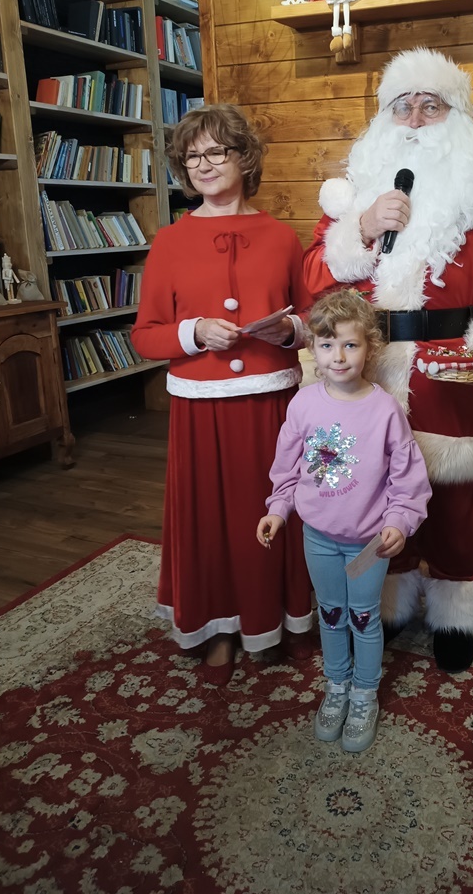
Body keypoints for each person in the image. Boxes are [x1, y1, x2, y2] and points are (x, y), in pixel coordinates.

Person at [303, 47, 473, 673]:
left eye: (430, 106)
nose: (414, 119)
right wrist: (361, 227)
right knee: (375, 489)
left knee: (455, 500)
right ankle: (390, 595)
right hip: (370, 367)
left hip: (451, 366)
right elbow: (313, 279)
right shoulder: (354, 196)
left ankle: (454, 609)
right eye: (402, 106)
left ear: (456, 115)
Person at [131, 104, 313, 685]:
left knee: (271, 511)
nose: (204, 164)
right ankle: (218, 628)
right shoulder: (168, 242)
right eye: (192, 157)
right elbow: (145, 336)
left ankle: (273, 619)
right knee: (210, 521)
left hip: (270, 406)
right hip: (200, 410)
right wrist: (194, 332)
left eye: (217, 151)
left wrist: (291, 331)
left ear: (244, 157)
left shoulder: (283, 238)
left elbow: (310, 318)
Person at [256, 290, 431, 752]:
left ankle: (364, 694)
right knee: (331, 615)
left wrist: (400, 521)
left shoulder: (386, 410)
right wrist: (277, 510)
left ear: (369, 348)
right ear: (313, 349)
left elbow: (408, 478)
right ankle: (337, 686)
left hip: (369, 543)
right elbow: (287, 470)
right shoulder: (303, 405)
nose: (338, 356)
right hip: (318, 538)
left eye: (350, 345)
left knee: (363, 616)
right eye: (328, 344)